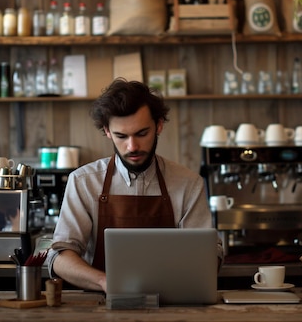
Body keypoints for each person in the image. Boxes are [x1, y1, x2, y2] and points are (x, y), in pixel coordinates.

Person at [46, 78, 223, 292]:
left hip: (170, 303)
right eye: (121, 136)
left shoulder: (188, 184)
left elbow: (208, 254)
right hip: (101, 305)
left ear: (158, 125)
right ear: (108, 131)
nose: (132, 146)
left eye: (142, 133)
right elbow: (60, 256)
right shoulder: (84, 182)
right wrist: (105, 281)